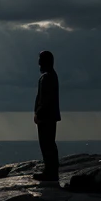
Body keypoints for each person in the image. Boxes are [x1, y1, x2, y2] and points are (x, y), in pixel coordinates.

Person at [32, 50, 60, 181]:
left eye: (40, 60)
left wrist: (38, 113)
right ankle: (50, 171)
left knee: (47, 144)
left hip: (46, 117)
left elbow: (45, 99)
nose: (38, 63)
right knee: (48, 144)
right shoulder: (50, 76)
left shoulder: (47, 77)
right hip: (49, 115)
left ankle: (50, 172)